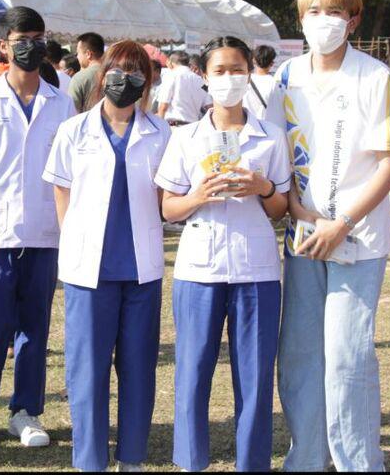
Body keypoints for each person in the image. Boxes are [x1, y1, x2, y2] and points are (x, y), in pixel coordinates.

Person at [278, 0, 390, 472]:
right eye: (314, 12)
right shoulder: (286, 76)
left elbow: (389, 165)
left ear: (353, 20)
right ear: (300, 18)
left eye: (335, 12)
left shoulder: (375, 77)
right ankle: (307, 459)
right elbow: (279, 157)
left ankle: (358, 462)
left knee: (348, 356)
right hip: (305, 237)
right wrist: (297, 210)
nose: (324, 21)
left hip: (358, 238)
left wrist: (343, 222)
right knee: (301, 355)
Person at [156, 36, 290, 472]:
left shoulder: (271, 137)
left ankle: (252, 463)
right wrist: (197, 196)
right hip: (199, 270)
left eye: (237, 70)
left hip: (256, 272)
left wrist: (263, 187)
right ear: (204, 76)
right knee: (193, 373)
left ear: (249, 74)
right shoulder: (185, 137)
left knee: (254, 376)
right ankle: (191, 460)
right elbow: (168, 208)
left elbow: (280, 209)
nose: (229, 78)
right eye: (220, 71)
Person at [43, 40, 171, 472]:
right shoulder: (74, 130)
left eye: (136, 73)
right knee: (88, 371)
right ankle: (90, 460)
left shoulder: (161, 133)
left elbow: (166, 197)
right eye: (118, 71)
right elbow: (61, 191)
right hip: (88, 271)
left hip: (141, 271)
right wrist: (73, 240)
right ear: (103, 76)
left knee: (138, 368)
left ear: (147, 82)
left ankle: (131, 457)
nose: (124, 80)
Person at [0, 6, 76, 450]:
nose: (32, 46)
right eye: (22, 40)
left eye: (38, 38)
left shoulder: (62, 103)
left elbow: (69, 173)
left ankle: (25, 412)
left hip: (44, 233)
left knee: (34, 328)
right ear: (4, 47)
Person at [156, 51, 210, 126]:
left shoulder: (170, 76)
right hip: (193, 126)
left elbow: (163, 106)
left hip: (174, 126)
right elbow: (210, 105)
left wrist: (159, 126)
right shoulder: (200, 80)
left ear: (171, 63)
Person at [243, 44, 287, 129]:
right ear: (272, 63)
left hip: (248, 127)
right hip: (269, 129)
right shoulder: (277, 85)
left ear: (253, 60)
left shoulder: (245, 81)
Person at [68, 32, 105, 112]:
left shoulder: (79, 78)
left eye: (78, 53)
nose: (77, 57)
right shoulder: (115, 74)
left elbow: (71, 111)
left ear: (88, 54)